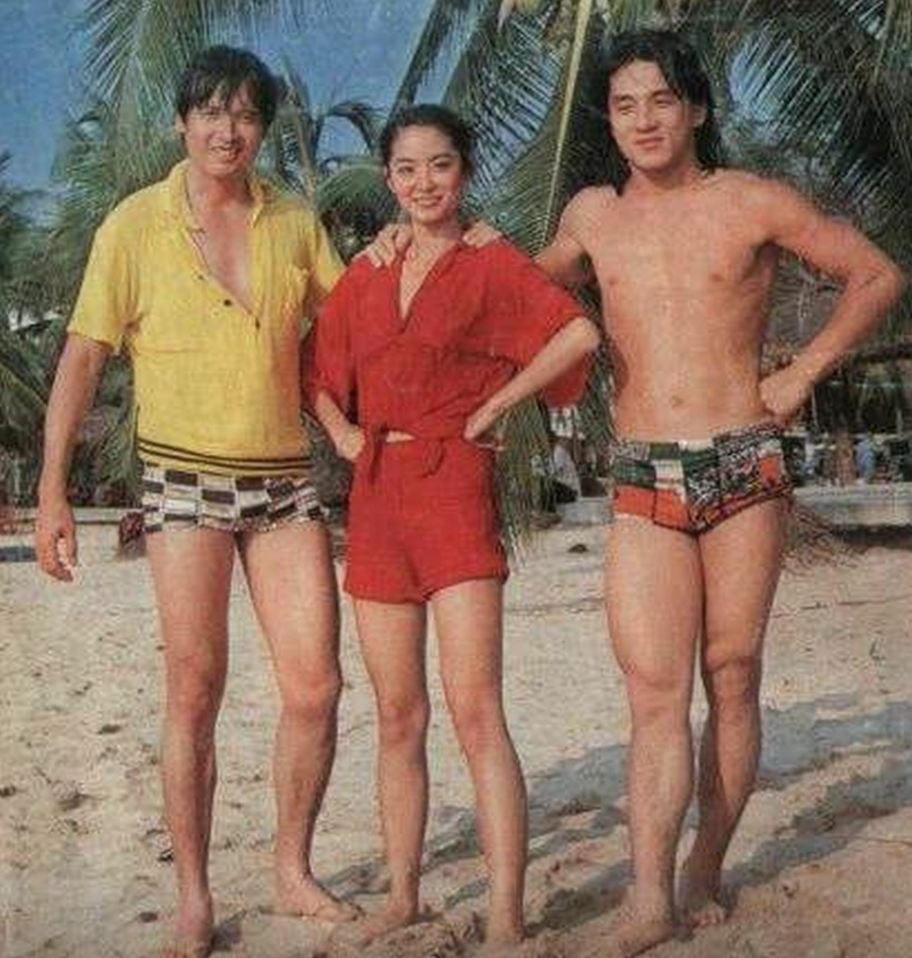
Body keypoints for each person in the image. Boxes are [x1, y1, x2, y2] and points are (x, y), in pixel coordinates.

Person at [532, 29, 905, 956]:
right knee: (655, 692)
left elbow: (876, 274)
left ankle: (704, 866)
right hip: (642, 471)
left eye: (662, 100)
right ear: (608, 121)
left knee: (732, 673)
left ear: (696, 108)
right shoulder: (591, 216)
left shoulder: (752, 200)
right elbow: (506, 291)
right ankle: (648, 896)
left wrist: (806, 368)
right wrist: (421, 237)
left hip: (745, 461)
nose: (644, 120)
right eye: (625, 105)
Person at [34, 45, 358, 958]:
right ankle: (192, 897)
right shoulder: (134, 224)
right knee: (194, 687)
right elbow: (82, 359)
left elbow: (356, 323)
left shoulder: (294, 220)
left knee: (317, 686)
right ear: (182, 123)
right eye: (211, 112)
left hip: (284, 479)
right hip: (181, 479)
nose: (228, 130)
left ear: (262, 128)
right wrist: (52, 490)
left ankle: (291, 869)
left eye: (246, 114)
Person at [304, 104, 599, 950]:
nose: (423, 183)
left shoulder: (492, 260)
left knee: (475, 710)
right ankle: (403, 895)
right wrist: (342, 433)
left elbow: (578, 334)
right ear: (388, 178)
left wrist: (500, 402)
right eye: (406, 168)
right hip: (376, 498)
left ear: (464, 170)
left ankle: (505, 913)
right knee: (397, 715)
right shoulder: (368, 269)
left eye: (440, 165)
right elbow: (312, 369)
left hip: (455, 491)